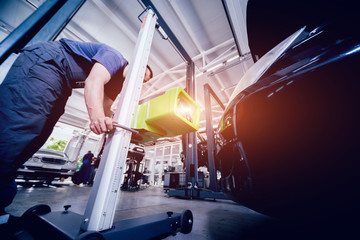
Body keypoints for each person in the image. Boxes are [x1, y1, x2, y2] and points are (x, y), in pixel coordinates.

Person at [0, 38, 153, 231]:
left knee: (39, 134)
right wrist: (97, 117)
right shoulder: (115, 58)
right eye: (140, 73)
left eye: (144, 81)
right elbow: (94, 81)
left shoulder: (116, 84)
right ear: (133, 64)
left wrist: (114, 124)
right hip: (46, 61)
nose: (139, 80)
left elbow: (106, 107)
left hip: (60, 78)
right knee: (20, 127)